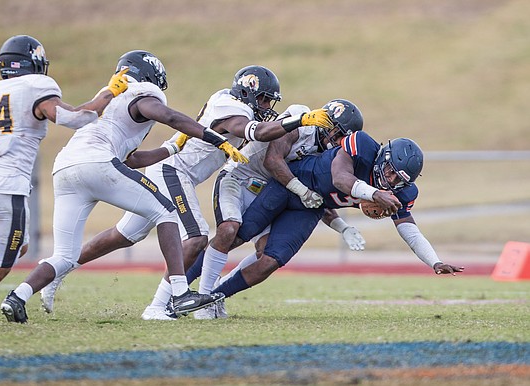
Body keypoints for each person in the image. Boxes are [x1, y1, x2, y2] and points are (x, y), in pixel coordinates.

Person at [37, 65, 336, 320]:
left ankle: (58, 270)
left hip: (172, 170)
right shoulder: (234, 109)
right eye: (263, 98)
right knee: (196, 237)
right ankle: (159, 306)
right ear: (247, 92)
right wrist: (299, 120)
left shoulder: (226, 100)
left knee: (123, 235)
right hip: (173, 172)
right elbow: (255, 132)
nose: (266, 105)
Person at [0, 50, 260, 323]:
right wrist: (216, 139)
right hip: (98, 163)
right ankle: (176, 296)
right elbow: (168, 117)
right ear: (149, 76)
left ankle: (17, 296)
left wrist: (172, 146)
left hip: (65, 168)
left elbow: (132, 159)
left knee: (72, 253)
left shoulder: (108, 97)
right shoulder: (143, 92)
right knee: (169, 214)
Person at [0, 34, 128, 316]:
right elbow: (75, 118)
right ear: (32, 63)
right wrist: (109, 92)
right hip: (8, 187)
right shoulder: (38, 85)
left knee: (19, 245)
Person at [209, 131, 465, 308]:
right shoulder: (362, 148)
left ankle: (213, 297)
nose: (392, 181)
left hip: (309, 209)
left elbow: (409, 229)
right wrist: (374, 193)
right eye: (390, 172)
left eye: (400, 180)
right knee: (235, 235)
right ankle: (180, 289)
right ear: (383, 157)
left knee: (271, 259)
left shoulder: (400, 191)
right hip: (288, 186)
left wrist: (435, 261)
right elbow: (341, 180)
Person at [191, 99, 366, 319]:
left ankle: (214, 297)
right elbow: (272, 160)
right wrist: (302, 191)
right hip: (238, 177)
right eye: (339, 135)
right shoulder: (301, 121)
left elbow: (317, 198)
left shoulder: (323, 156)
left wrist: (342, 227)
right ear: (327, 125)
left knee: (266, 254)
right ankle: (186, 294)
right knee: (228, 232)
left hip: (266, 190)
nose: (340, 142)